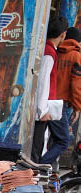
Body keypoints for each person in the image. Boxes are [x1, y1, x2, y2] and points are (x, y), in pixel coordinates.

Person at [32, 15, 69, 170]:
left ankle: (37, 168)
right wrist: (43, 110)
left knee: (40, 143)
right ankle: (37, 169)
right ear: (62, 35)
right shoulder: (49, 53)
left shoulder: (48, 50)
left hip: (46, 105)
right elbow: (43, 83)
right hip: (44, 107)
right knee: (37, 145)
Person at [55, 26, 81, 128]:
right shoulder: (76, 56)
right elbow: (77, 84)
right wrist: (77, 107)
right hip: (62, 103)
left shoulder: (56, 51)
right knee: (63, 140)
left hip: (48, 99)